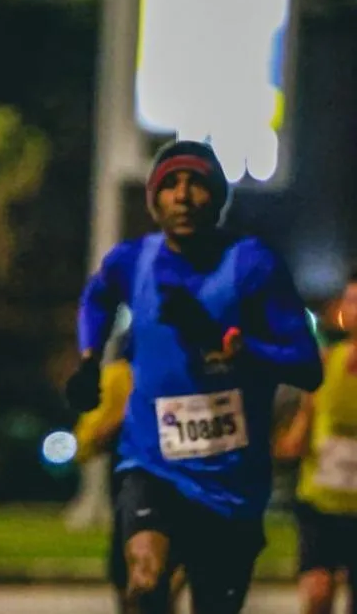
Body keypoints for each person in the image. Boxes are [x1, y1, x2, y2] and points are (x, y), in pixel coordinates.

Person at [64, 139, 323, 614]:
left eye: (197, 183)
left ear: (219, 198)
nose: (182, 196)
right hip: (152, 464)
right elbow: (98, 297)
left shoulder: (251, 265)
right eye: (170, 185)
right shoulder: (133, 261)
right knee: (144, 580)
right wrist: (87, 358)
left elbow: (307, 365)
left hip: (232, 484)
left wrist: (241, 347)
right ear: (154, 200)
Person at [72, 345, 185, 614]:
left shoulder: (186, 374)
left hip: (184, 488)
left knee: (170, 573)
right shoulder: (117, 378)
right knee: (133, 575)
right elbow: (87, 442)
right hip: (131, 490)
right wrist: (131, 415)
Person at [275, 268, 357, 614]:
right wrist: (288, 443)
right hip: (320, 500)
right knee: (318, 592)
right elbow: (303, 422)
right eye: (353, 300)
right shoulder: (326, 362)